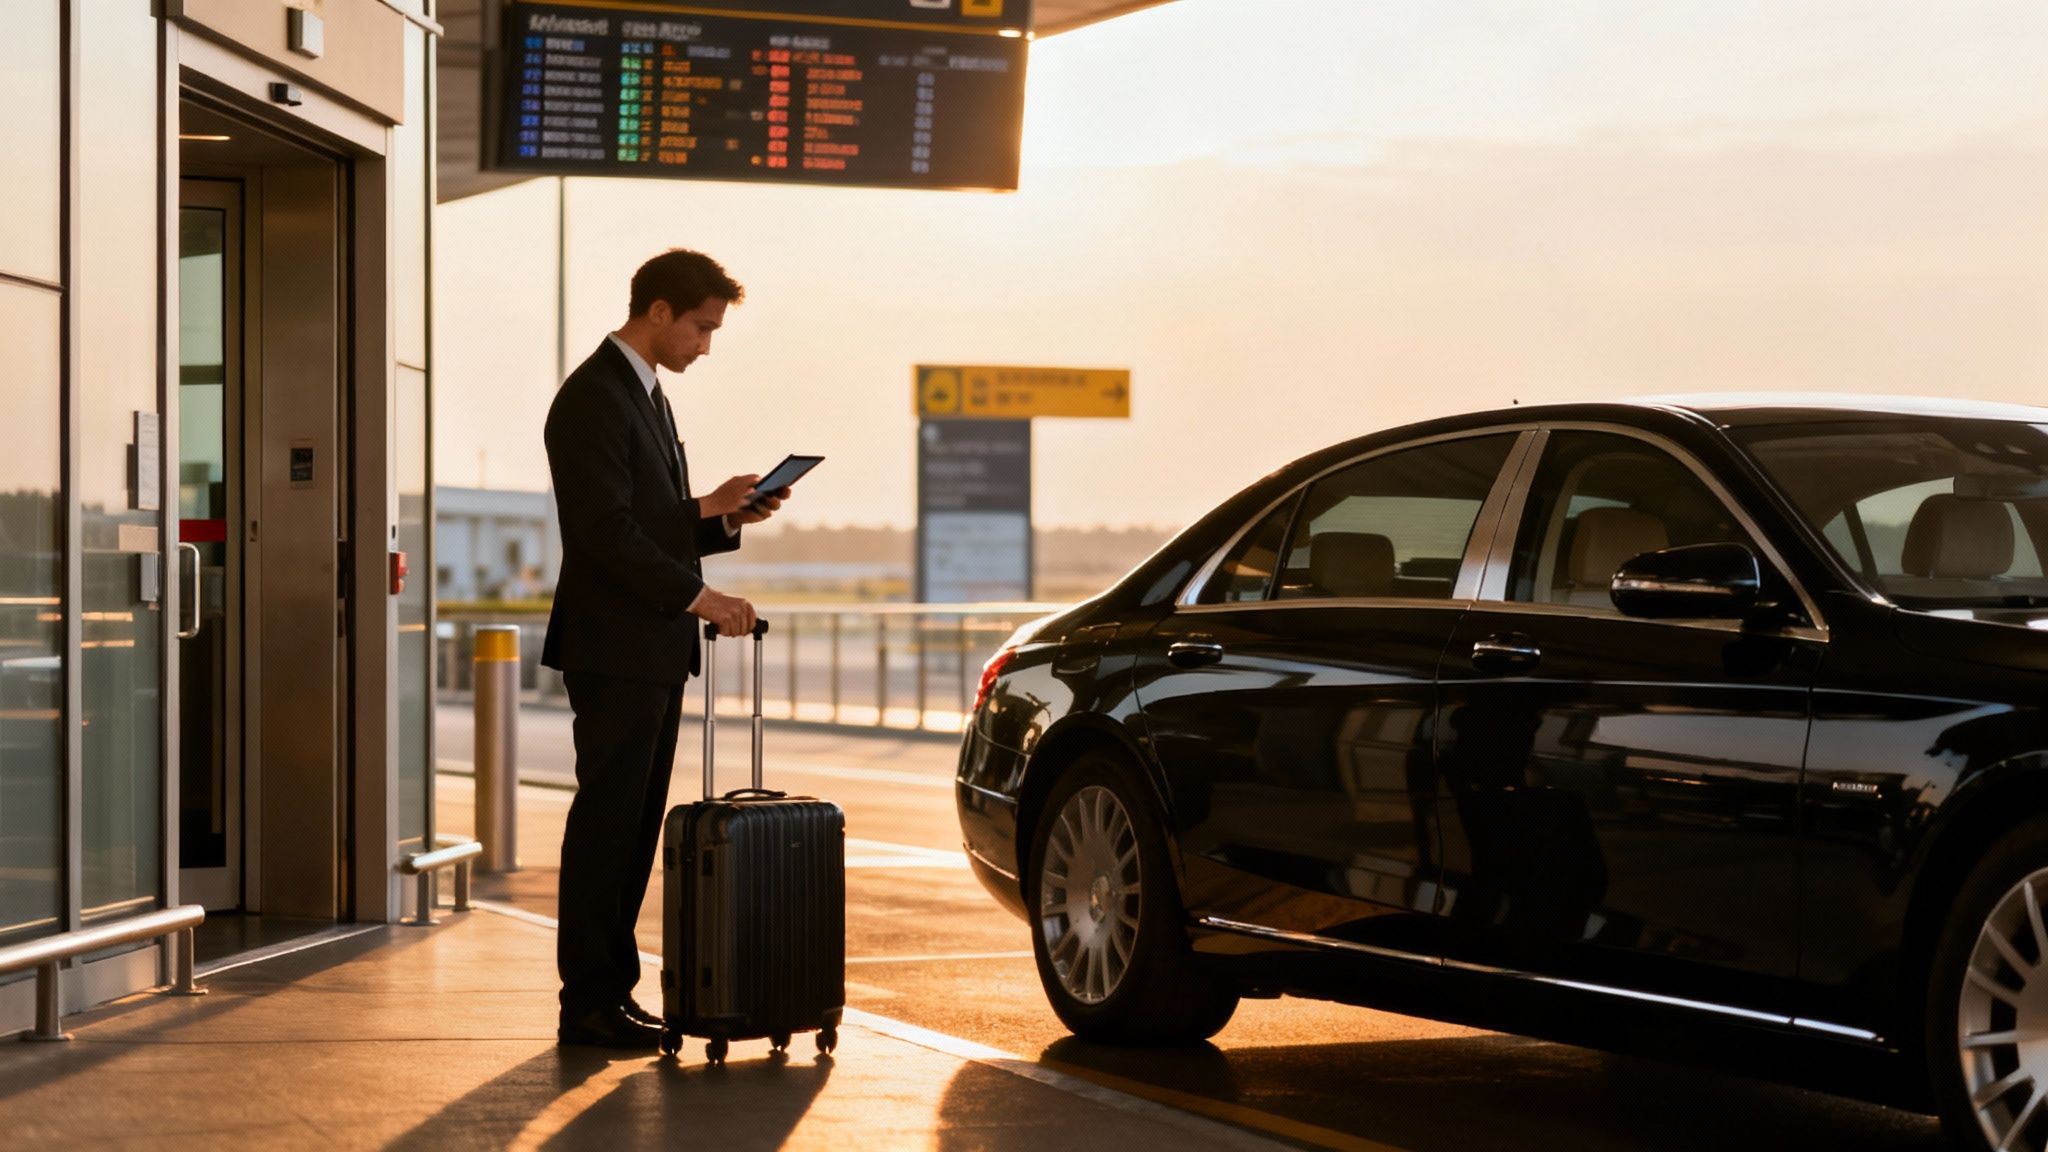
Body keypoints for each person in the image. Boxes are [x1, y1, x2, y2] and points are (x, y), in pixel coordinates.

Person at [541, 248, 789, 1048]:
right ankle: (586, 1002)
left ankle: (611, 990)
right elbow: (605, 536)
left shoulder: (643, 396)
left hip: (647, 648)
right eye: (702, 328)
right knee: (607, 826)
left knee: (634, 828)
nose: (706, 346)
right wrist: (704, 599)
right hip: (615, 649)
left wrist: (717, 517)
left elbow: (648, 522)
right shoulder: (591, 400)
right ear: (658, 312)